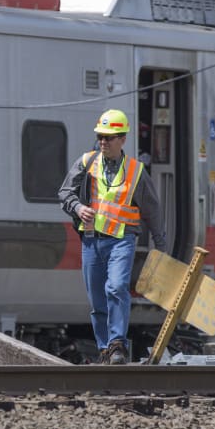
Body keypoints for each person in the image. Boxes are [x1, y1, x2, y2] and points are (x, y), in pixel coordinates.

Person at [58, 109, 167, 365]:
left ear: (122, 139)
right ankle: (105, 349)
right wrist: (78, 207)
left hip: (122, 240)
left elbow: (153, 211)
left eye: (109, 137)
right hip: (91, 241)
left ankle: (117, 344)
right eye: (100, 137)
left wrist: (160, 247)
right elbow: (64, 192)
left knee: (116, 287)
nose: (103, 142)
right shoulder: (86, 163)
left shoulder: (136, 172)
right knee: (97, 301)